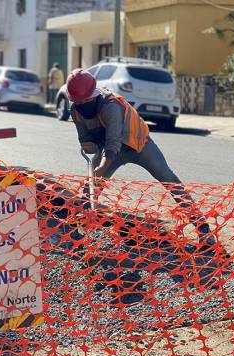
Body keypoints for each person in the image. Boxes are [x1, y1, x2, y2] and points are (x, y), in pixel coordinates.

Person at [65, 68, 219, 252]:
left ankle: (204, 231)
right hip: (108, 148)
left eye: (85, 100)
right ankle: (79, 234)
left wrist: (102, 167)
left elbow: (113, 144)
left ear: (94, 93)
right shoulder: (75, 110)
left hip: (138, 144)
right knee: (90, 188)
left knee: (169, 179)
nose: (82, 104)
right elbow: (84, 138)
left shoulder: (110, 106)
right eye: (78, 101)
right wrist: (88, 145)